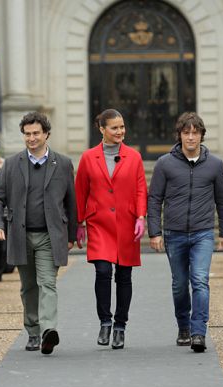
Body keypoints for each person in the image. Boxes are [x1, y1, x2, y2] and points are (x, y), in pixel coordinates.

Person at [0, 112, 77, 355]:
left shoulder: (64, 163)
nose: (31, 138)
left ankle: (49, 330)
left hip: (50, 236)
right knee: (29, 287)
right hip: (20, 235)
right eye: (27, 134)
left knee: (47, 283)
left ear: (46, 134)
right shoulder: (12, 163)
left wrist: (71, 235)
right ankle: (33, 331)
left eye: (36, 133)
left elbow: (71, 202)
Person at [147, 112, 223, 352]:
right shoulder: (165, 164)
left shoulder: (215, 164)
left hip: (203, 233)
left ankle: (198, 332)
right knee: (179, 284)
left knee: (200, 281)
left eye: (195, 132)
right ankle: (183, 325)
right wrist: (155, 232)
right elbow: (155, 200)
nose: (191, 137)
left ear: (202, 135)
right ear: (180, 135)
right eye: (186, 132)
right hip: (174, 233)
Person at [75, 108, 147, 350]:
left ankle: (120, 326)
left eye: (122, 127)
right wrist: (79, 222)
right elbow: (80, 191)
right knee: (103, 271)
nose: (120, 132)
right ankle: (105, 321)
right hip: (99, 223)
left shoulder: (134, 157)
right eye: (115, 128)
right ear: (102, 129)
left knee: (124, 276)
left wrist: (140, 216)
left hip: (126, 223)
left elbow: (140, 189)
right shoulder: (88, 157)